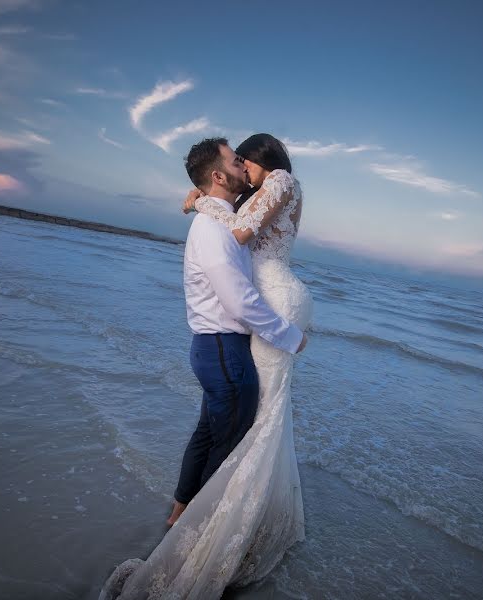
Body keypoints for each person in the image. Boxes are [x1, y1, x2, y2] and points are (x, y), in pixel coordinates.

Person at [101, 135, 312, 599]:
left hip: (217, 344)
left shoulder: (232, 212)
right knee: (233, 441)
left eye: (245, 160)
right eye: (235, 161)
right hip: (223, 345)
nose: (243, 166)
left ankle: (182, 515)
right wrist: (291, 336)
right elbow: (239, 299)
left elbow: (243, 235)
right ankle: (202, 539)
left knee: (212, 431)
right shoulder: (216, 228)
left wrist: (201, 202)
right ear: (220, 174)